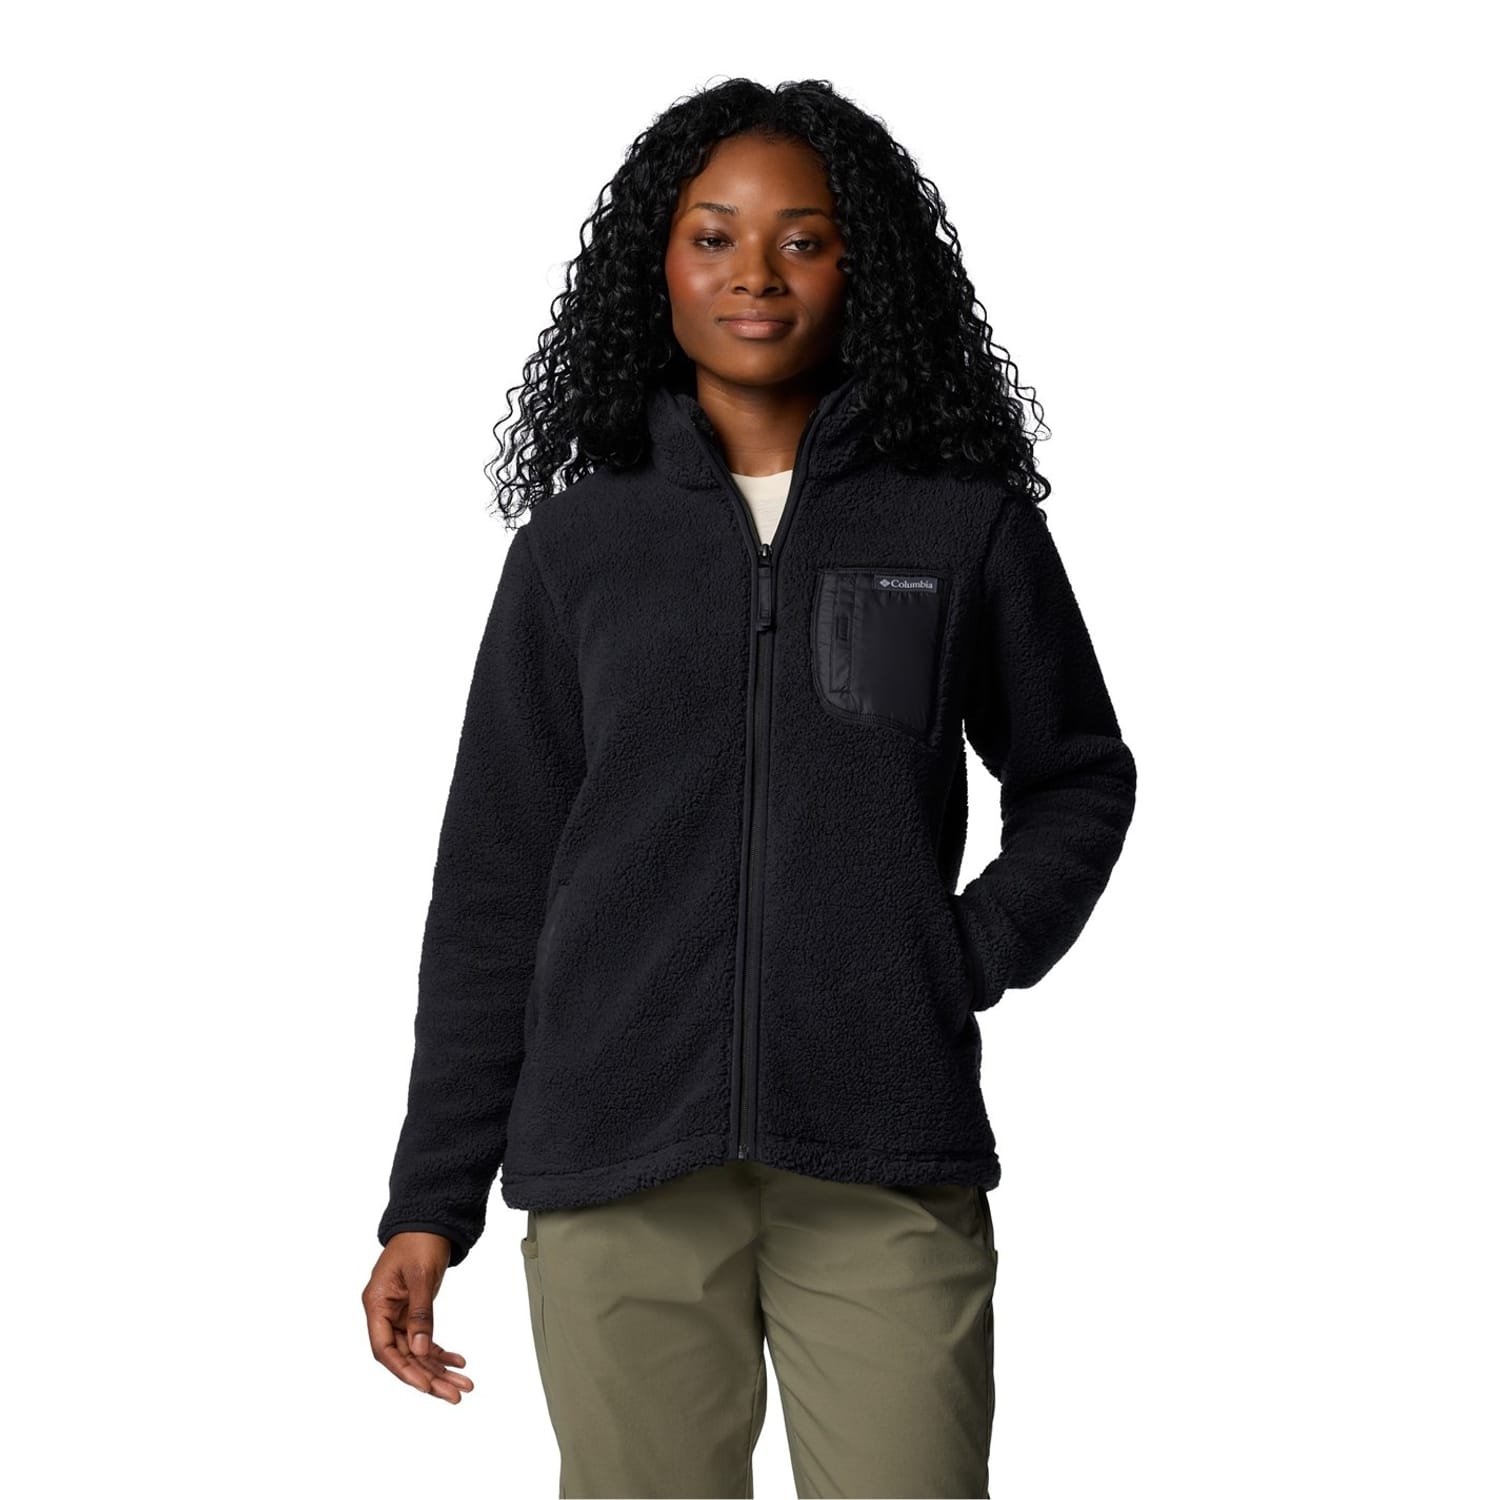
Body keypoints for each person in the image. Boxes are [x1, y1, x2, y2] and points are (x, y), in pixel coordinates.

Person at [362, 77, 1137, 1499]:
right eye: (714, 237)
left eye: (804, 239)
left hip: (882, 1150)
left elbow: (1078, 775)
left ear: (862, 266)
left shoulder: (957, 525)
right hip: (616, 1160)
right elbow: (494, 883)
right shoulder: (581, 548)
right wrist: (431, 1197)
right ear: (656, 266)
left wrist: (958, 952)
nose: (756, 275)